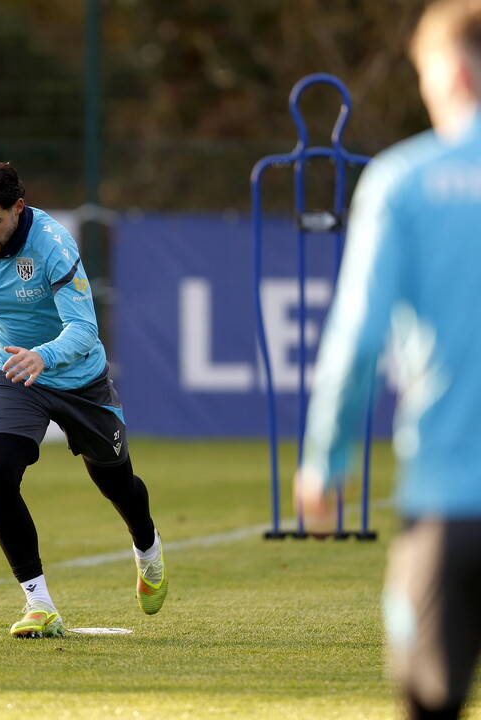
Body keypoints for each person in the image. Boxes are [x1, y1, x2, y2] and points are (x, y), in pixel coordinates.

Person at [295, 1, 481, 717]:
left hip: (449, 504)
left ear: (455, 74)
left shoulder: (404, 182)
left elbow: (358, 339)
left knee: (430, 700)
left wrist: (325, 461)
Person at [0, 161, 167, 639]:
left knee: (117, 483)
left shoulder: (53, 245)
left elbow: (85, 330)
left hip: (79, 379)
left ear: (18, 208)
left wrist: (43, 356)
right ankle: (39, 604)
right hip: (14, 373)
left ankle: (147, 548)